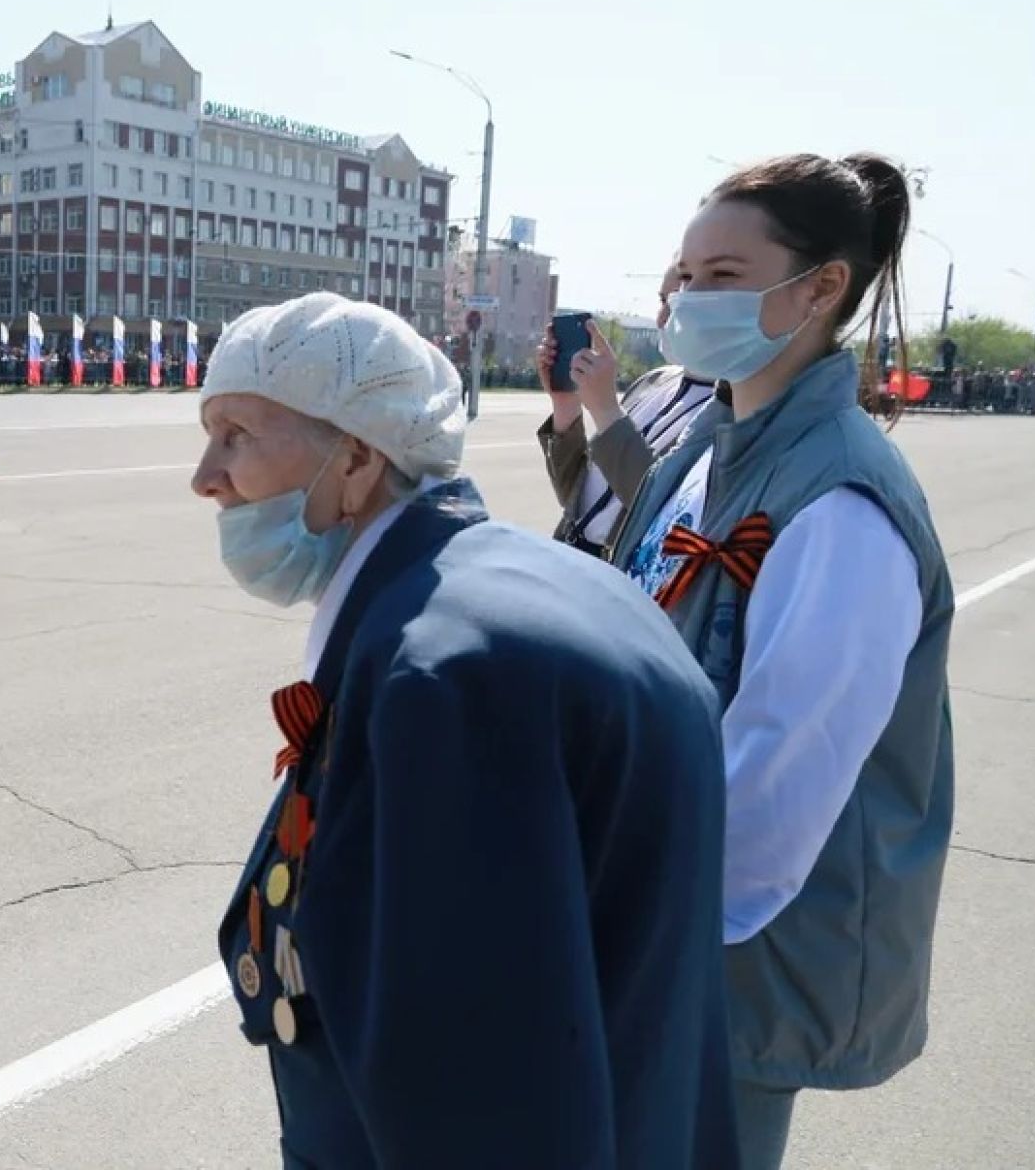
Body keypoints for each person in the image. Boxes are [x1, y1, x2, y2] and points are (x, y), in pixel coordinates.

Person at [194, 292, 738, 1169]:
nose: (206, 476)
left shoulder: (440, 676)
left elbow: (485, 1093)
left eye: (238, 436)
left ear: (358, 455)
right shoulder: (513, 586)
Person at [612, 153, 954, 1170]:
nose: (685, 298)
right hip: (665, 920)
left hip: (727, 952)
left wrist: (628, 921)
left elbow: (770, 792)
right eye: (681, 274)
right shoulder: (709, 444)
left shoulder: (843, 497)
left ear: (819, 289)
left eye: (722, 274)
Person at [537, 264, 719, 554]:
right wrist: (565, 405)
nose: (662, 319)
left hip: (623, 579)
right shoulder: (654, 382)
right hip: (572, 557)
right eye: (662, 301)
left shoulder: (728, 411)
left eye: (677, 305)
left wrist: (607, 411)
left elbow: (661, 512)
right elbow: (572, 494)